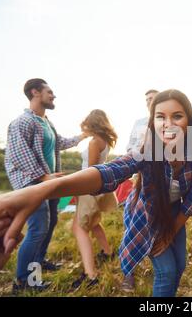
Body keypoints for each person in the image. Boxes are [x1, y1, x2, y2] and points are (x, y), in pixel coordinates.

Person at [0, 89, 192, 297]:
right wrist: (44, 188)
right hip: (147, 213)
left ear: (189, 120)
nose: (167, 124)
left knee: (180, 265)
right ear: (153, 121)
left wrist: (171, 230)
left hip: (176, 211)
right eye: (160, 117)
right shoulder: (147, 149)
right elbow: (109, 170)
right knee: (168, 272)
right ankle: (27, 277)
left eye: (177, 116)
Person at [4, 78, 90, 292]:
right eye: (49, 92)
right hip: (32, 184)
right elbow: (19, 155)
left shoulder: (46, 122)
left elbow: (59, 143)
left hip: (48, 183)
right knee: (38, 229)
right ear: (35, 93)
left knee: (50, 224)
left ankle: (38, 261)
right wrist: (44, 177)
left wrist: (83, 135)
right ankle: (24, 281)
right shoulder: (22, 122)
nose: (53, 95)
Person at [71, 109, 118, 290]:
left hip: (88, 188)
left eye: (87, 125)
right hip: (99, 187)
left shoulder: (94, 142)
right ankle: (107, 252)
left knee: (79, 227)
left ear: (93, 124)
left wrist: (76, 187)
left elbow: (90, 170)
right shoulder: (104, 141)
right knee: (94, 222)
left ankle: (90, 275)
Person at [118, 89, 158, 292]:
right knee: (132, 223)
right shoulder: (139, 123)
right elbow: (129, 148)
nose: (150, 102)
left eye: (154, 98)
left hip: (162, 183)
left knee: (156, 224)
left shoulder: (167, 122)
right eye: (148, 100)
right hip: (139, 179)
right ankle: (128, 272)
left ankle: (157, 262)